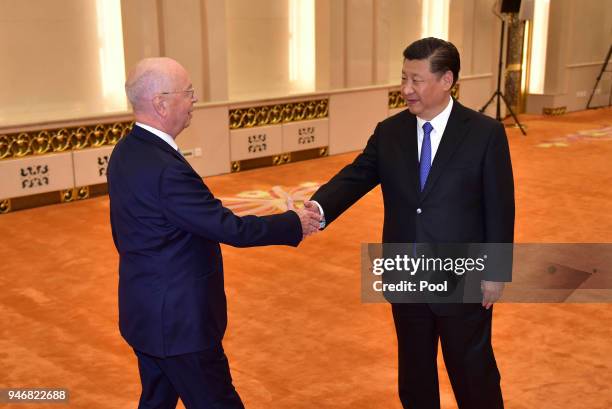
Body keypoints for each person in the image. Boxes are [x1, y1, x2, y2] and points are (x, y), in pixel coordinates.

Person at [306, 38, 515, 409]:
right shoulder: (391, 132)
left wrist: (496, 271)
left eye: (416, 80)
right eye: (404, 78)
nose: (406, 89)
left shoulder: (485, 133)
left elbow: (500, 206)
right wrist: (319, 208)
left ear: (447, 79)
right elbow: (356, 176)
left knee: (473, 372)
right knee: (415, 376)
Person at [107, 57, 320, 409]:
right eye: (188, 92)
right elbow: (228, 227)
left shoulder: (126, 151)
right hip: (179, 324)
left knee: (157, 400)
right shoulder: (164, 169)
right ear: (161, 103)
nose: (194, 101)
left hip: (145, 313)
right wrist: (293, 223)